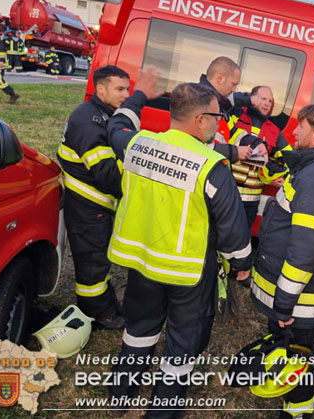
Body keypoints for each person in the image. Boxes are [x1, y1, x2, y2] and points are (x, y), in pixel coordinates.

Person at [107, 76, 252, 418]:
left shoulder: (138, 145)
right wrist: (241, 262)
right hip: (186, 269)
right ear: (200, 119)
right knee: (183, 344)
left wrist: (139, 95)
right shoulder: (210, 165)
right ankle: (162, 411)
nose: (219, 125)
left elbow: (116, 126)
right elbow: (232, 225)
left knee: (139, 331)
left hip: (141, 262)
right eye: (217, 117)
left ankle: (120, 393)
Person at [250, 104, 314, 418]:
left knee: (294, 357)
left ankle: (298, 410)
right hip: (298, 296)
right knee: (290, 352)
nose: (293, 132)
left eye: (300, 127)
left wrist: (284, 303)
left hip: (297, 301)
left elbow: (306, 251)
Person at [57, 65, 132, 329]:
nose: (126, 94)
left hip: (94, 205)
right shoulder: (89, 121)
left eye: (128, 89)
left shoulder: (100, 114)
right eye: (120, 89)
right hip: (87, 207)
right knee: (92, 267)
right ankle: (100, 315)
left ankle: (107, 305)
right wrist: (135, 167)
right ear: (100, 89)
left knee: (98, 262)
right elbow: (108, 174)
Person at [231, 85, 292, 228]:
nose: (267, 103)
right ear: (252, 98)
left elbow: (290, 159)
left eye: (270, 101)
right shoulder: (236, 116)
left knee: (241, 239)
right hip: (227, 191)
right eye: (263, 99)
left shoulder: (274, 130)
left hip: (251, 199)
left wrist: (276, 178)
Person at [197, 56, 259, 163]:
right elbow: (196, 146)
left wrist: (257, 143)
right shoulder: (196, 101)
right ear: (219, 78)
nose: (234, 90)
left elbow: (233, 133)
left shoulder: (219, 105)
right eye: (233, 84)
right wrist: (234, 152)